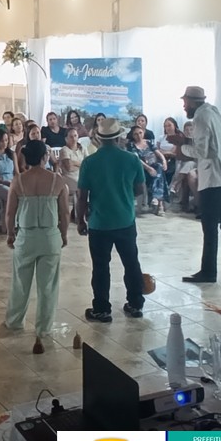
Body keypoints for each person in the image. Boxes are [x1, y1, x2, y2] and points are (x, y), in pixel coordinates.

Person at [168, 87, 221, 283]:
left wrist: (182, 147)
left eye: (185, 102)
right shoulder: (214, 111)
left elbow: (202, 151)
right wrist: (186, 140)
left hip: (215, 177)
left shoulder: (200, 118)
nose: (184, 106)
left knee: (209, 226)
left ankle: (208, 272)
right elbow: (212, 143)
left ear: (193, 102)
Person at [76, 118, 147, 322]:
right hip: (125, 220)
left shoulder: (89, 162)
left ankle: (102, 309)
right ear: (119, 137)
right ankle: (135, 304)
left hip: (99, 223)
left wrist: (80, 221)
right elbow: (140, 189)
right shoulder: (132, 159)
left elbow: (82, 196)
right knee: (131, 263)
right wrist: (123, 194)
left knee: (100, 267)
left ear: (98, 138)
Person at [5, 141, 69, 355]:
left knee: (20, 282)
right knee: (48, 285)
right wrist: (64, 234)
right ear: (44, 157)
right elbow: (64, 213)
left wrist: (10, 234)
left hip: (26, 236)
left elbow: (9, 213)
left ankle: (15, 321)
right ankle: (44, 327)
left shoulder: (18, 180)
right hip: (50, 236)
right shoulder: (57, 180)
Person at [128, 125, 167, 215]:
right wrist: (148, 169)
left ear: (144, 132)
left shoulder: (149, 142)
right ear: (133, 135)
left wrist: (164, 161)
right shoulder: (131, 145)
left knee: (159, 168)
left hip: (154, 166)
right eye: (136, 134)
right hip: (141, 169)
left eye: (140, 133)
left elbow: (158, 153)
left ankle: (156, 199)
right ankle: (159, 204)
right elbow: (137, 160)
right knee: (158, 174)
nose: (139, 135)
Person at [55, 127, 85, 220]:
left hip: (82, 174)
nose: (74, 139)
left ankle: (85, 211)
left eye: (75, 136)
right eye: (71, 137)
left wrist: (74, 162)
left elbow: (88, 164)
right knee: (80, 184)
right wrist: (82, 164)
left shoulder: (82, 148)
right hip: (68, 177)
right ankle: (79, 215)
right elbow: (69, 167)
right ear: (66, 139)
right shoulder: (64, 150)